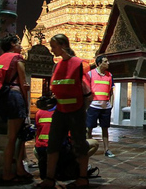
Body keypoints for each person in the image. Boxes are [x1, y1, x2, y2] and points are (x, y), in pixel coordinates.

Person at [37, 34, 92, 189]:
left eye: (54, 46)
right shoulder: (57, 66)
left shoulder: (79, 64)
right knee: (53, 144)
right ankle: (49, 178)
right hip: (60, 110)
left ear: (62, 46)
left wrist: (82, 111)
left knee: (79, 144)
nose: (52, 49)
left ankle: (82, 178)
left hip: (76, 111)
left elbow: (88, 93)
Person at [0, 35, 32, 184]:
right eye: (19, 43)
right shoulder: (17, 59)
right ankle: (7, 173)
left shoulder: (1, 59)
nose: (21, 45)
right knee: (13, 138)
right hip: (15, 98)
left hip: (3, 98)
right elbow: (23, 84)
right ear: (13, 44)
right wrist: (26, 104)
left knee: (19, 136)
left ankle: (19, 168)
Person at [34, 103, 99, 180]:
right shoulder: (65, 114)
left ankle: (50, 167)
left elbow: (37, 133)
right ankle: (76, 165)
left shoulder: (39, 112)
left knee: (35, 150)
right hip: (61, 150)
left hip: (42, 149)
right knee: (94, 144)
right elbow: (72, 137)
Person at [86, 55, 115, 158]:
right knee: (89, 128)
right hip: (93, 106)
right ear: (99, 64)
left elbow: (111, 91)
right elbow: (86, 90)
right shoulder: (90, 74)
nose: (108, 63)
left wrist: (111, 104)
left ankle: (107, 149)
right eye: (105, 61)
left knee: (105, 128)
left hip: (105, 107)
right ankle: (88, 147)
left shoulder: (109, 75)